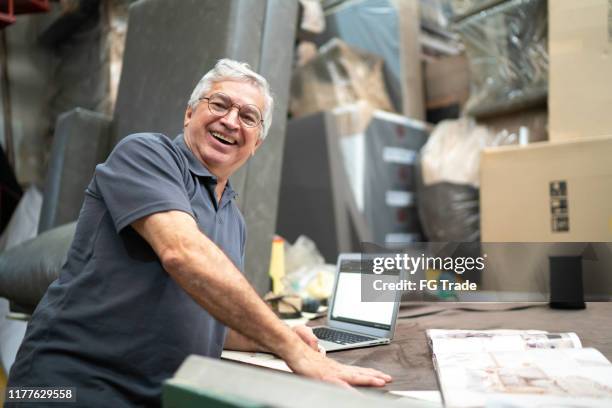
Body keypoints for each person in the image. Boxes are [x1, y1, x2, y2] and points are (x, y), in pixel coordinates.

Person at [7, 59, 391, 407]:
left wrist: (279, 338)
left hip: (156, 394)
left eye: (248, 116)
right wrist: (289, 346)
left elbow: (212, 323)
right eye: (219, 104)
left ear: (257, 143)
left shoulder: (233, 219)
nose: (230, 121)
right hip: (72, 387)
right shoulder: (146, 155)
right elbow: (182, 254)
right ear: (190, 113)